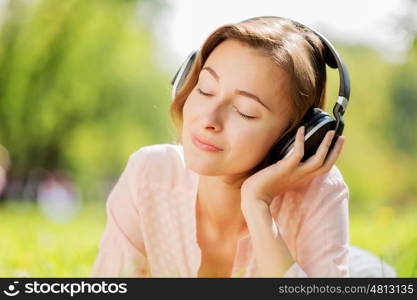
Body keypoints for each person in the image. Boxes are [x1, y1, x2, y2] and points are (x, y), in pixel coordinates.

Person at [91, 16, 350, 277]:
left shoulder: (319, 193)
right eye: (204, 89)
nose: (208, 120)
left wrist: (257, 204)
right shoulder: (149, 175)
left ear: (295, 136)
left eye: (245, 112)